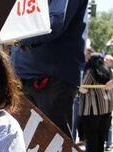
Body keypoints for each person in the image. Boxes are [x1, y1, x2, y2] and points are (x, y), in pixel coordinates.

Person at [11, 0, 88, 138]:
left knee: (55, 147)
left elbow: (55, 21)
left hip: (52, 77)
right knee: (23, 143)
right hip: (23, 75)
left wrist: (15, 38)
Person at [78, 53, 113, 152]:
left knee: (91, 135)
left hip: (91, 109)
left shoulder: (91, 71)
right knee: (101, 135)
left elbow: (84, 89)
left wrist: (78, 89)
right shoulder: (108, 71)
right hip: (106, 108)